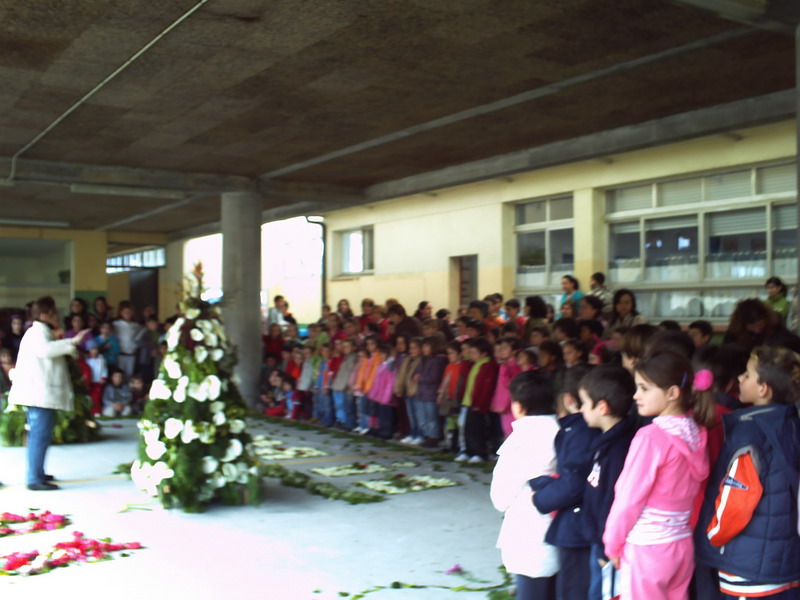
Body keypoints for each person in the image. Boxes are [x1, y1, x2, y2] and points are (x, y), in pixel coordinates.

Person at [603, 351, 714, 600]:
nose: (636, 395)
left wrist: (612, 544)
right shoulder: (697, 433)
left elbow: (628, 499)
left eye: (644, 388)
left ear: (673, 393)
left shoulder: (651, 437)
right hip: (681, 545)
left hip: (647, 549)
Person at [694, 346, 800, 599]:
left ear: (764, 389)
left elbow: (737, 500)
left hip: (749, 569)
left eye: (748, 374)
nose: (740, 378)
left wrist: (713, 535)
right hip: (786, 561)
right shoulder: (792, 423)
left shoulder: (749, 433)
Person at [529, 366, 599, 600]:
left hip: (577, 524)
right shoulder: (582, 428)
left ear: (568, 399)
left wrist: (541, 497)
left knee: (573, 587)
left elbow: (574, 482)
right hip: (582, 521)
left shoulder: (581, 431)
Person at [8, 296, 90, 490]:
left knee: (41, 435)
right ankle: (34, 479)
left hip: (40, 394)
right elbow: (45, 351)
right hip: (38, 395)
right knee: (39, 435)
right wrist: (72, 342)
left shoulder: (41, 331)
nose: (57, 317)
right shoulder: (37, 332)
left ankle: (37, 472)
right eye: (54, 313)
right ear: (45, 315)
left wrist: (68, 345)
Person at [491, 371, 560, 600]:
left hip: (530, 532)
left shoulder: (521, 439)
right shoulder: (564, 431)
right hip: (563, 531)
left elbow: (500, 497)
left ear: (518, 405)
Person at [577, 365, 639, 600]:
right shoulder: (607, 441)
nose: (581, 408)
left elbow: (613, 503)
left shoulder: (619, 450)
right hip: (600, 539)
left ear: (602, 407)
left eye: (584, 402)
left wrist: (606, 547)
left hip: (608, 546)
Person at [460, 337, 499, 463]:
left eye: (474, 353)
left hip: (479, 404)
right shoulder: (475, 364)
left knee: (477, 429)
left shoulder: (488, 366)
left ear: (484, 354)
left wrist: (480, 403)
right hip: (470, 402)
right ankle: (470, 451)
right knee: (468, 428)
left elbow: (486, 388)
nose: (471, 355)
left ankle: (479, 452)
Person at [414, 336, 448, 447]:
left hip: (431, 393)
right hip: (421, 393)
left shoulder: (438, 360)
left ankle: (433, 437)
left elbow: (435, 377)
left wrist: (421, 378)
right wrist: (416, 376)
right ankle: (427, 435)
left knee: (432, 418)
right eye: (423, 346)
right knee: (422, 417)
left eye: (427, 346)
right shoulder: (423, 360)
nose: (424, 349)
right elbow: (416, 372)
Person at [113, 302, 142, 377]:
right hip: (120, 354)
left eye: (129, 312)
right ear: (120, 313)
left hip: (132, 354)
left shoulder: (136, 326)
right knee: (119, 374)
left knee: (130, 374)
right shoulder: (116, 324)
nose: (127, 314)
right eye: (125, 312)